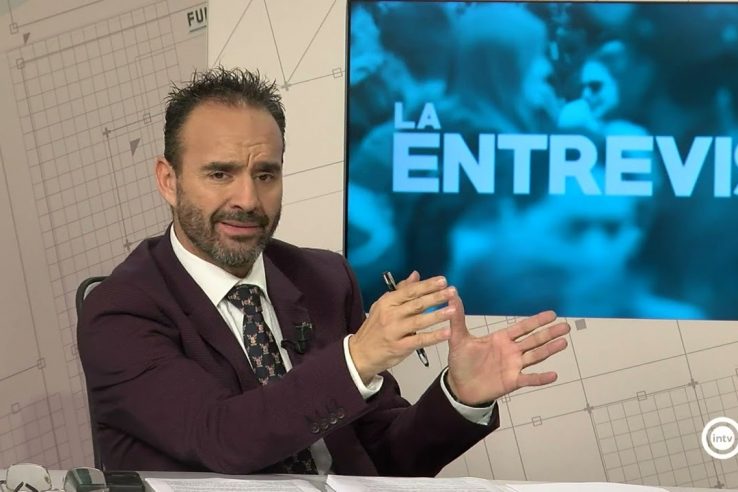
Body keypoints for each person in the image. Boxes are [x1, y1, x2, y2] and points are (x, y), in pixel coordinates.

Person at [77, 67, 570, 475]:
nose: (247, 199)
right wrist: (356, 358)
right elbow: (223, 438)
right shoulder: (119, 312)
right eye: (220, 173)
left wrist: (459, 396)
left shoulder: (324, 279)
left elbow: (384, 462)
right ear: (168, 180)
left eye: (265, 174)